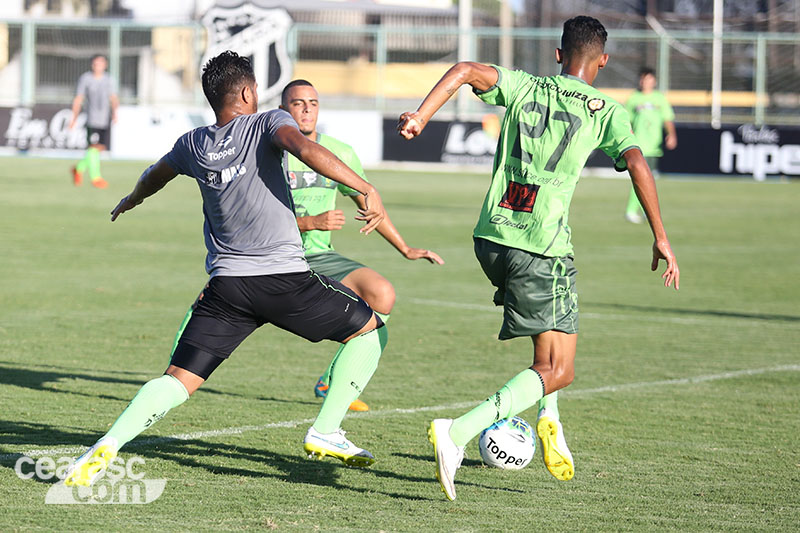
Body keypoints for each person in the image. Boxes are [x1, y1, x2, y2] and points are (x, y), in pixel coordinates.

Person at [64, 51, 389, 487]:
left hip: (227, 288)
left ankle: (107, 445)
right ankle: (327, 431)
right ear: (248, 92)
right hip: (282, 278)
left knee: (179, 379)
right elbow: (306, 148)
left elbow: (155, 174)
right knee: (370, 327)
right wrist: (365, 187)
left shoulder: (193, 144)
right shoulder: (267, 123)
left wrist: (132, 199)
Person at [398, 15, 680, 501]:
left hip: (491, 237)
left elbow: (465, 68)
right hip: (540, 246)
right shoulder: (605, 109)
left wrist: (421, 116)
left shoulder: (525, 86)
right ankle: (459, 431)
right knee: (561, 368)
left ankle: (550, 419)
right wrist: (661, 235)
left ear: (557, 54)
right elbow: (636, 162)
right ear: (603, 61)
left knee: (549, 349)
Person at [281, 79, 444, 411]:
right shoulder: (268, 154)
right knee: (215, 303)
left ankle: (331, 379)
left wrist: (405, 248)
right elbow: (250, 219)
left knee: (382, 293)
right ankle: (178, 375)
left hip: (319, 257)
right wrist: (310, 223)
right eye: (298, 103)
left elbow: (370, 203)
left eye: (313, 102)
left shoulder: (339, 153)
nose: (307, 108)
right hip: (274, 255)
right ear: (283, 110)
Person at [624, 67, 677, 223]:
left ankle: (646, 210)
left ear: (653, 81)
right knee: (640, 178)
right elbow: (626, 121)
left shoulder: (659, 99)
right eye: (642, 79)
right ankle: (631, 210)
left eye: (647, 79)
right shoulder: (633, 98)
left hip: (654, 146)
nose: (644, 82)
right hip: (639, 145)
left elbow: (667, 119)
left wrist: (671, 135)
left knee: (650, 179)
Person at [69, 54, 118, 189]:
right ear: (92, 65)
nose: (98, 66)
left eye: (101, 64)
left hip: (105, 119)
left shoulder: (109, 79)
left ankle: (78, 168)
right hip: (92, 119)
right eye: (96, 64)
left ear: (105, 65)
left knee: (99, 148)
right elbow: (79, 98)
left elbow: (113, 97)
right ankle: (96, 177)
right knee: (93, 147)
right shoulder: (86, 79)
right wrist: (73, 118)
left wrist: (115, 113)